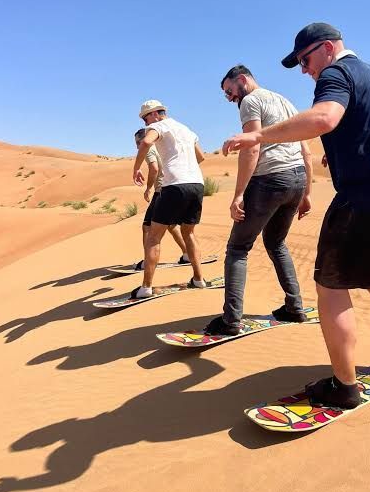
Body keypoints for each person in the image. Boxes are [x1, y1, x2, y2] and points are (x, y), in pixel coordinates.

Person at [222, 23, 370, 408]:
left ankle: (344, 386)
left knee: (331, 286)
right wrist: (340, 151)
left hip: (368, 196)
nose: (304, 70)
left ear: (326, 48)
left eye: (305, 61)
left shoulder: (336, 73)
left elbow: (324, 117)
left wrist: (258, 136)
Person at [205, 65, 313, 337]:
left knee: (238, 248)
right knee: (276, 242)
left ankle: (231, 320)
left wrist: (238, 194)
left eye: (229, 90)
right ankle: (295, 306)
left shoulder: (251, 101)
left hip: (270, 179)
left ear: (242, 79)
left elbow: (252, 147)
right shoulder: (284, 101)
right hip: (296, 178)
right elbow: (305, 149)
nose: (229, 97)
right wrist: (307, 192)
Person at [132, 100, 207, 298]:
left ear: (154, 114)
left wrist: (136, 168)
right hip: (197, 184)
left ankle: (146, 287)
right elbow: (201, 157)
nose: (146, 124)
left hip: (174, 185)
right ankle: (199, 279)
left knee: (154, 236)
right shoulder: (186, 129)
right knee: (189, 233)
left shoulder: (159, 126)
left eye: (145, 119)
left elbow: (146, 142)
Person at [132, 128, 189, 270]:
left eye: (138, 142)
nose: (137, 146)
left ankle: (148, 261)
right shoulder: (162, 147)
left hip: (161, 191)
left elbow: (154, 168)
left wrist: (148, 188)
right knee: (171, 225)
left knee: (147, 226)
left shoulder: (149, 149)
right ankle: (187, 254)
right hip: (174, 188)